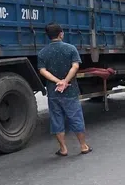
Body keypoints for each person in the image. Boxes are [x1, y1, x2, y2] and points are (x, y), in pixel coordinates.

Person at [37, 22, 92, 156]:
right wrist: (65, 81)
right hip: (70, 91)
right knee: (76, 117)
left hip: (53, 91)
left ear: (48, 36)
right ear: (61, 34)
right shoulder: (71, 49)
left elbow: (42, 71)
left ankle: (63, 149)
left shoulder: (43, 53)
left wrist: (58, 82)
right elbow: (75, 67)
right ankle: (83, 146)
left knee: (56, 120)